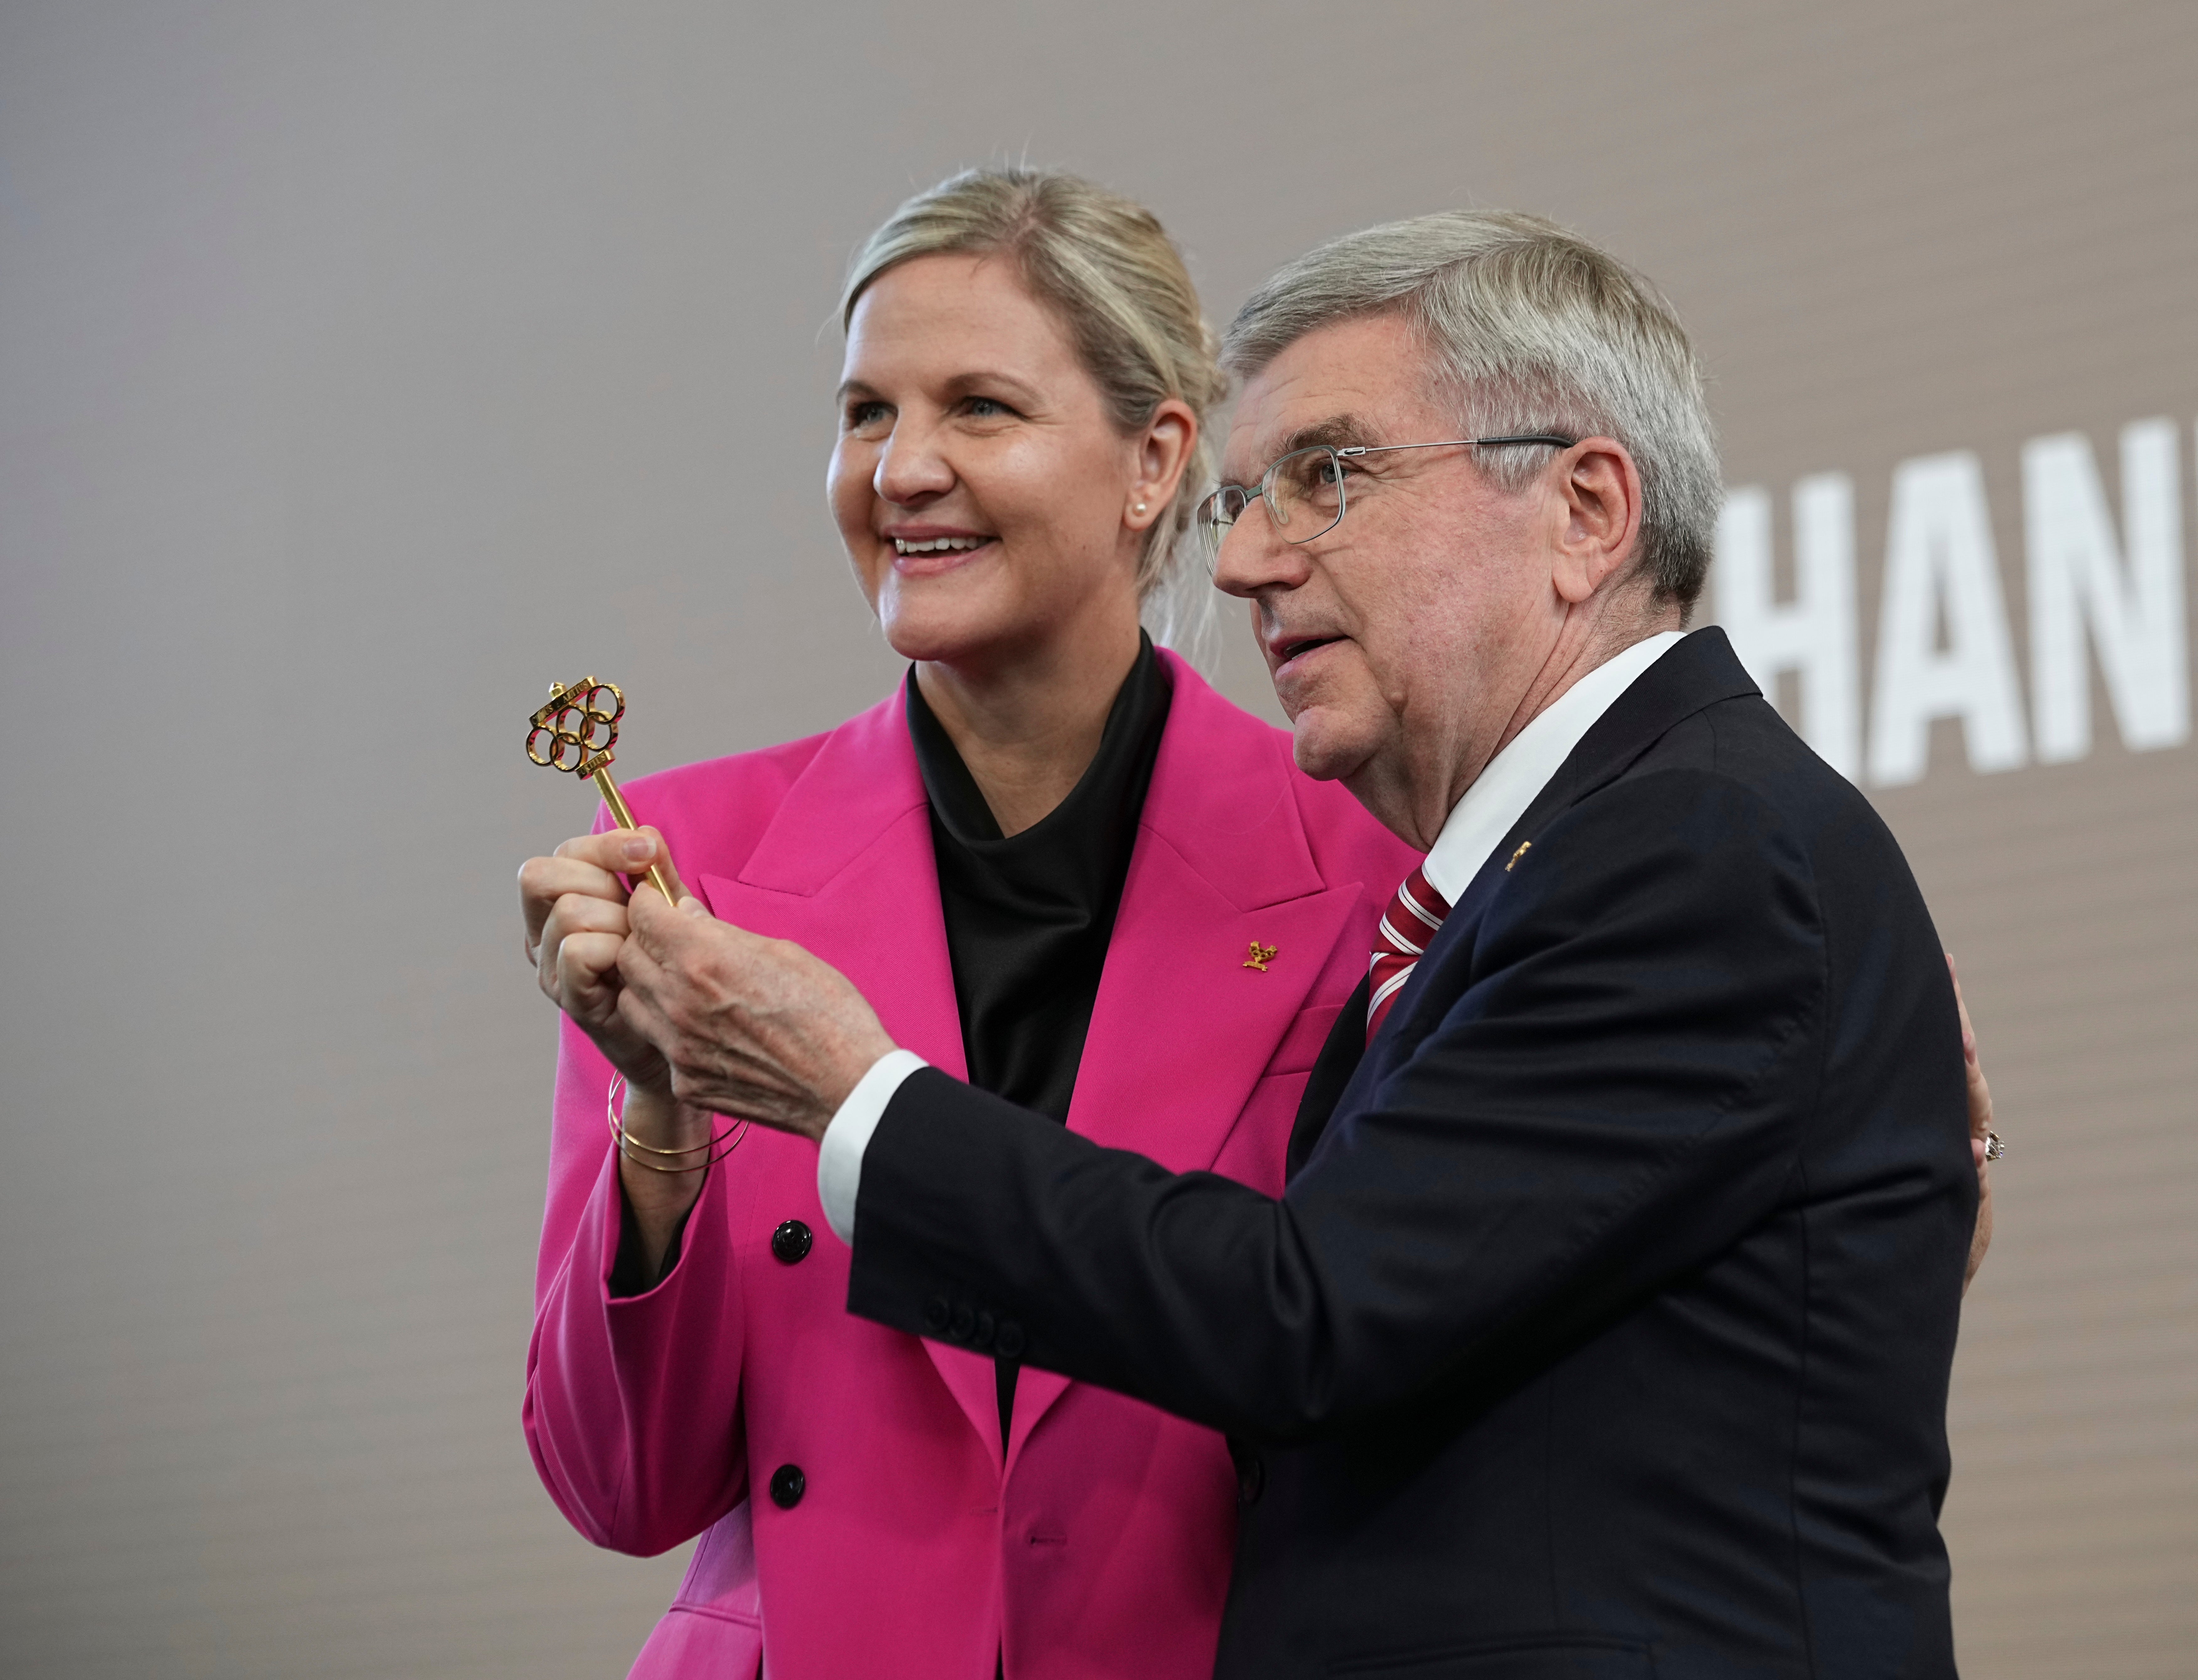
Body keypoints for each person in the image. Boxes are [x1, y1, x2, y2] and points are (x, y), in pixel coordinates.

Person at [606, 211, 1986, 1677]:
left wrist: (848, 1090)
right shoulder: (1579, 865)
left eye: (1325, 478)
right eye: (1246, 499)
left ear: (1586, 511)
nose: (1251, 561)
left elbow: (1306, 1312)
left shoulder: (1699, 853)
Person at [518, 168, 1419, 1679]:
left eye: (980, 409)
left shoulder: (1359, 866)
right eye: (867, 413)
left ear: (1154, 461)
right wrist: (661, 1108)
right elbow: (622, 1490)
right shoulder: (684, 864)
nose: (902, 468)